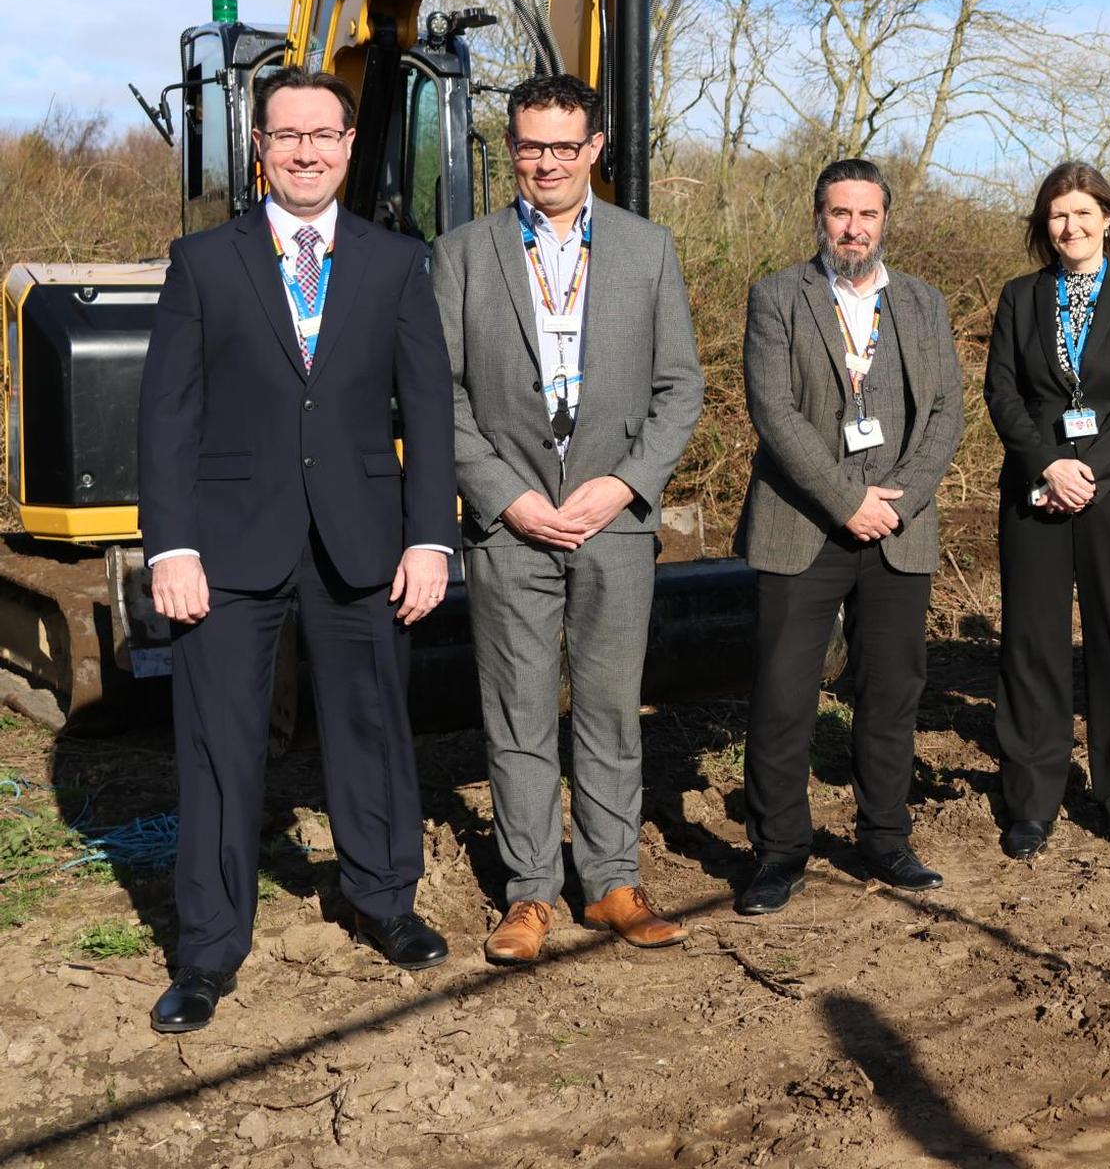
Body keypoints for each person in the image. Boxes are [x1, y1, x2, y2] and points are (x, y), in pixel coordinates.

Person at [137, 68, 455, 1034]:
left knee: (371, 732)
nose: (307, 151)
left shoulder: (399, 263)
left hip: (364, 539)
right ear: (260, 150)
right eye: (287, 136)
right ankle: (206, 953)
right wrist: (171, 546)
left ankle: (385, 900)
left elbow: (430, 410)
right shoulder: (203, 261)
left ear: (351, 146)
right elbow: (166, 414)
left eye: (324, 134)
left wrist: (431, 536)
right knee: (218, 749)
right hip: (229, 545)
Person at [431, 75, 704, 965]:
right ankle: (529, 894)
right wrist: (506, 496)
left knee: (610, 708)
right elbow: (443, 397)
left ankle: (612, 881)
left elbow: (678, 388)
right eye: (528, 145)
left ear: (593, 149)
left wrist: (624, 485)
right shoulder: (463, 253)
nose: (544, 161)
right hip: (511, 524)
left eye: (562, 146)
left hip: (611, 523)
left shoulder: (645, 248)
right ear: (509, 147)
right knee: (515, 712)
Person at [733, 159, 965, 909]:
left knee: (893, 690)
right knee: (782, 695)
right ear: (818, 217)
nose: (853, 228)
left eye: (866, 214)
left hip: (899, 525)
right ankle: (778, 852)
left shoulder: (925, 304)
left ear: (885, 219)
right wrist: (847, 501)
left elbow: (945, 415)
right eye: (839, 213)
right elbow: (774, 413)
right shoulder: (777, 297)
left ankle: (886, 838)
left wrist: (899, 502)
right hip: (801, 522)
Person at [984, 162, 1110, 858]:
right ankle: (1033, 798)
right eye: (1058, 215)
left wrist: (1086, 472)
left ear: (1108, 221)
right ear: (1044, 226)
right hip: (1034, 487)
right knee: (1031, 643)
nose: (1071, 226)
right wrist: (1048, 465)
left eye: (1083, 213)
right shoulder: (1020, 297)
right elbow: (1003, 392)